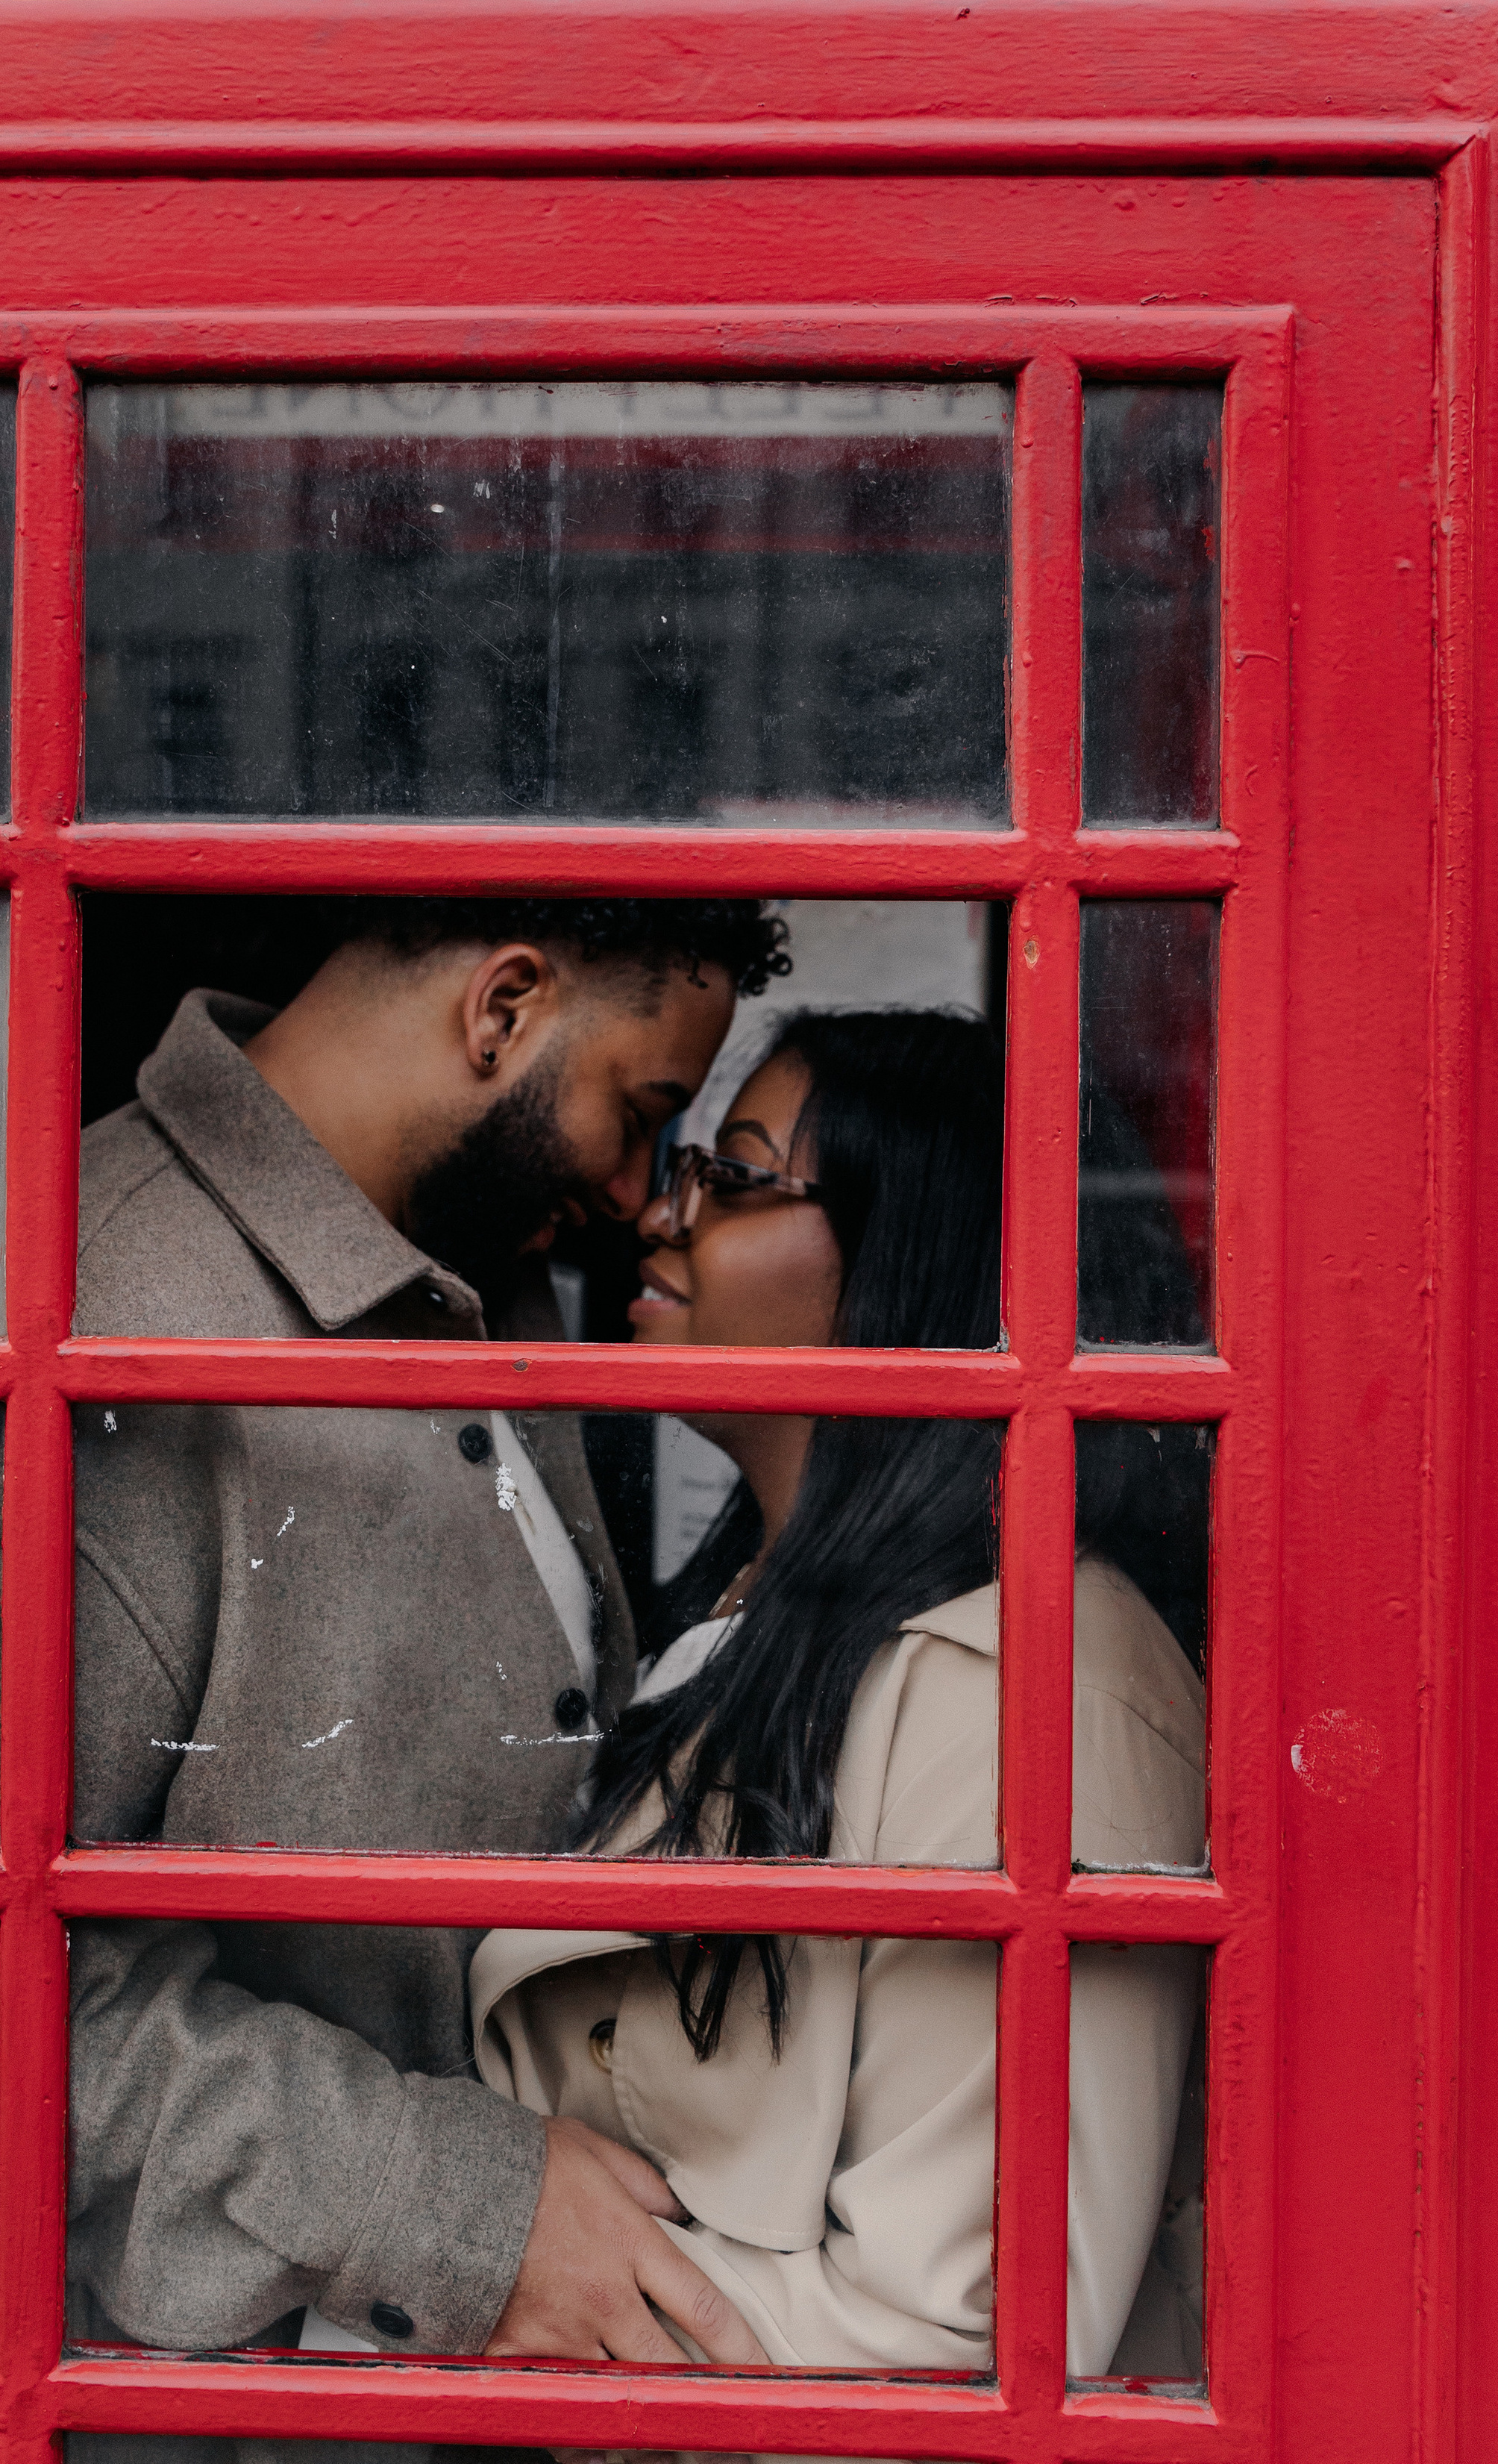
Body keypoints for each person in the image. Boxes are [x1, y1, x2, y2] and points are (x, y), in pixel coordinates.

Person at [0, 897, 789, 2407]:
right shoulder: (79, 1317)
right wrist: (460, 2214)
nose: (640, 1195)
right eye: (641, 1114)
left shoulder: (466, 1282)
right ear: (500, 1010)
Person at [473, 1008, 1211, 2383]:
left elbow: (979, 2323)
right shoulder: (747, 1614)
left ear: (907, 1263)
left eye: (735, 1179)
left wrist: (481, 2290)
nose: (660, 1218)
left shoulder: (1021, 1696)